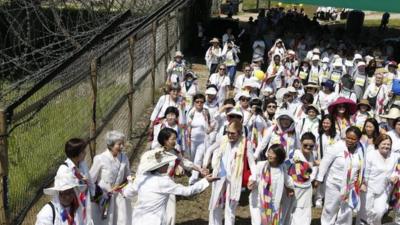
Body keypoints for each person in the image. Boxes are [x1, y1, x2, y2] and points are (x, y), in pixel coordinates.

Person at [122, 149, 218, 225]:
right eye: (165, 164)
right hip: (155, 221)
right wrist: (205, 181)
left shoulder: (142, 178)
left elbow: (127, 193)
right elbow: (187, 191)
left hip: (138, 219)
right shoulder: (164, 182)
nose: (168, 165)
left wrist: (130, 182)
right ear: (159, 167)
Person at [205, 120, 255, 225]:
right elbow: (210, 149)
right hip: (219, 177)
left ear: (240, 133)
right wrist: (205, 166)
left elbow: (252, 163)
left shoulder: (246, 143)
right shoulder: (223, 139)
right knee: (215, 205)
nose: (229, 135)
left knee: (230, 208)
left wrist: (253, 178)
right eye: (228, 132)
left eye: (233, 133)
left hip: (234, 180)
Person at [315, 126, 365, 225]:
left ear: (358, 139)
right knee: (330, 208)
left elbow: (362, 166)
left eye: (353, 139)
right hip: (335, 183)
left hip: (351, 185)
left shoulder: (361, 148)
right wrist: (319, 178)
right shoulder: (337, 146)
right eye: (348, 137)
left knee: (346, 210)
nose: (350, 140)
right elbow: (325, 162)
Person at [90, 131, 132, 225]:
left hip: (119, 198)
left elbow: (128, 174)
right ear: (111, 145)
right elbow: (91, 179)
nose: (122, 146)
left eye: (122, 144)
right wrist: (97, 195)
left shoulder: (124, 158)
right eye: (119, 144)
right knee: (105, 221)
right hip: (103, 199)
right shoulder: (100, 159)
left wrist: (130, 183)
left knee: (120, 220)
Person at [247, 144, 294, 225]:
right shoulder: (262, 165)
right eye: (269, 152)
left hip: (274, 202)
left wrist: (290, 187)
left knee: (273, 221)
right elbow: (254, 176)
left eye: (273, 153)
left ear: (279, 156)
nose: (269, 155)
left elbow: (287, 180)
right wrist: (251, 182)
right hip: (259, 201)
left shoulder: (282, 168)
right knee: (258, 222)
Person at [55, 138, 94, 225]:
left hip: (84, 204)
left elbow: (89, 181)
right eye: (83, 151)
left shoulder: (82, 164)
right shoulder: (64, 170)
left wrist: (94, 194)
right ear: (77, 154)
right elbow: (61, 193)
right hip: (72, 208)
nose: (85, 153)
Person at [362, 134, 397, 225]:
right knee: (367, 211)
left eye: (388, 144)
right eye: (384, 144)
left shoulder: (394, 156)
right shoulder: (371, 154)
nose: (386, 146)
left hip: (384, 189)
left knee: (380, 211)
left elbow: (394, 170)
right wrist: (364, 184)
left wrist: (395, 176)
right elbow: (366, 171)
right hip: (369, 188)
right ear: (378, 143)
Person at [284, 132, 318, 225]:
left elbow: (311, 167)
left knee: (305, 211)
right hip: (294, 188)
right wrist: (287, 186)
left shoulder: (312, 155)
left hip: (306, 189)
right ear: (300, 142)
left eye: (311, 146)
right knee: (292, 211)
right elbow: (284, 169)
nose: (308, 147)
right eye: (305, 145)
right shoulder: (293, 154)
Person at [314, 115, 340, 208]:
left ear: (332, 124)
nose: (326, 125)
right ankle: (318, 199)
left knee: (329, 182)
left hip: (332, 162)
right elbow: (314, 148)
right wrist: (315, 160)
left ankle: (327, 199)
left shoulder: (336, 135)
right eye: (324, 123)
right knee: (320, 180)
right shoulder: (318, 134)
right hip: (320, 161)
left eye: (328, 123)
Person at [186, 94, 211, 184]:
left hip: (202, 140)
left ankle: (193, 179)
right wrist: (188, 138)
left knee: (198, 159)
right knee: (192, 158)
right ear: (194, 102)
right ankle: (192, 170)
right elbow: (188, 126)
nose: (199, 103)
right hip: (192, 140)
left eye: (201, 102)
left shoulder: (206, 112)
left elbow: (210, 124)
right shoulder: (191, 112)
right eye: (197, 102)